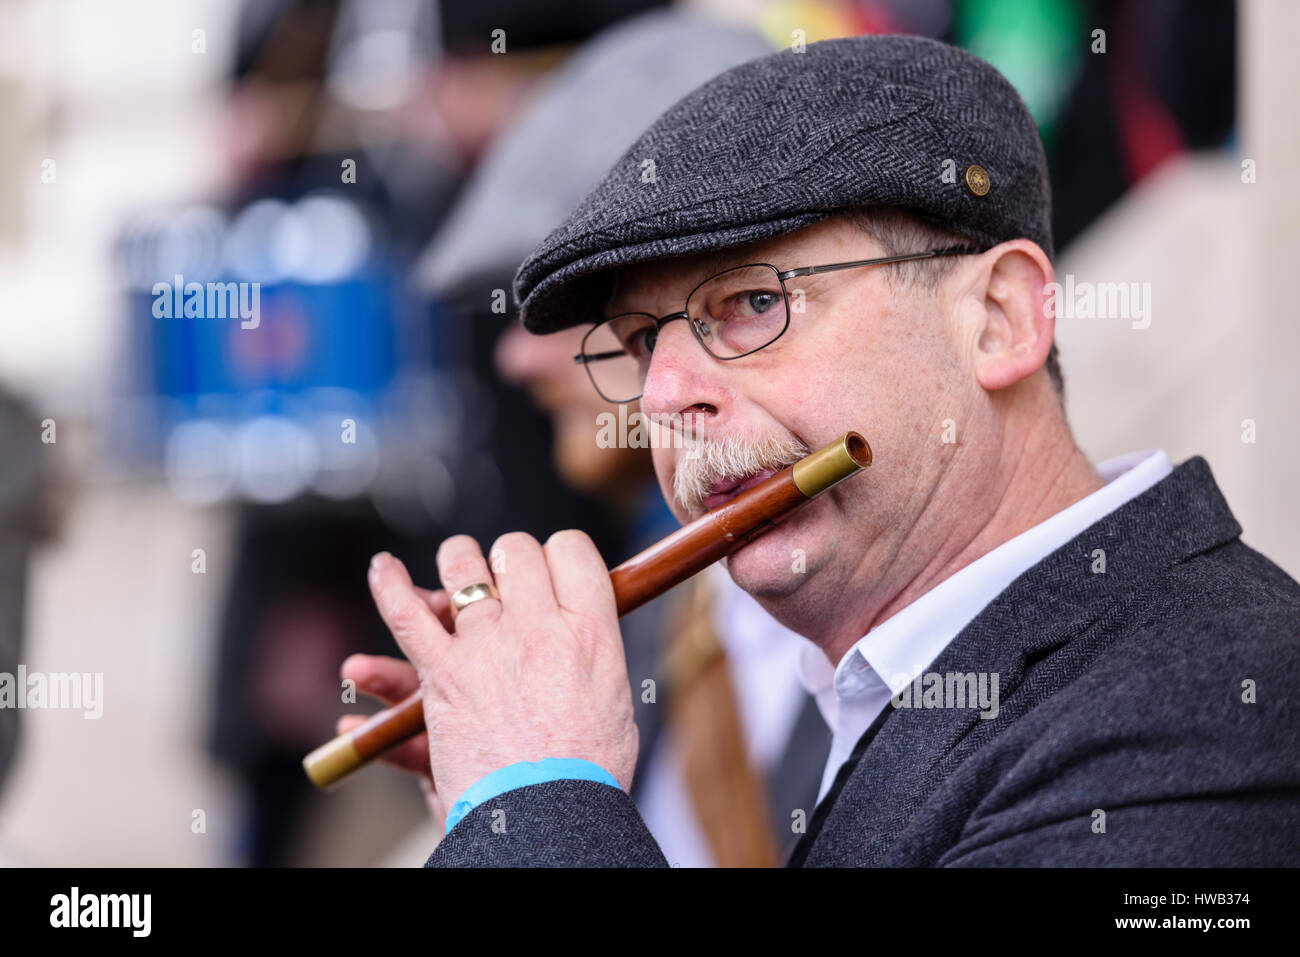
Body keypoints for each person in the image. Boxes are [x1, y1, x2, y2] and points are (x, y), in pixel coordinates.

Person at [357, 35, 1300, 866]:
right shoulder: (892, 687)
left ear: (1000, 318)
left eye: (754, 302)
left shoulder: (1203, 711)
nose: (666, 396)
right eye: (645, 341)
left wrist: (543, 799)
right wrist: (501, 802)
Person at [345, 10, 828, 866]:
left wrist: (541, 799)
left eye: (567, 300)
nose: (515, 357)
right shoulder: (652, 620)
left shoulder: (865, 599)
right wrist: (505, 795)